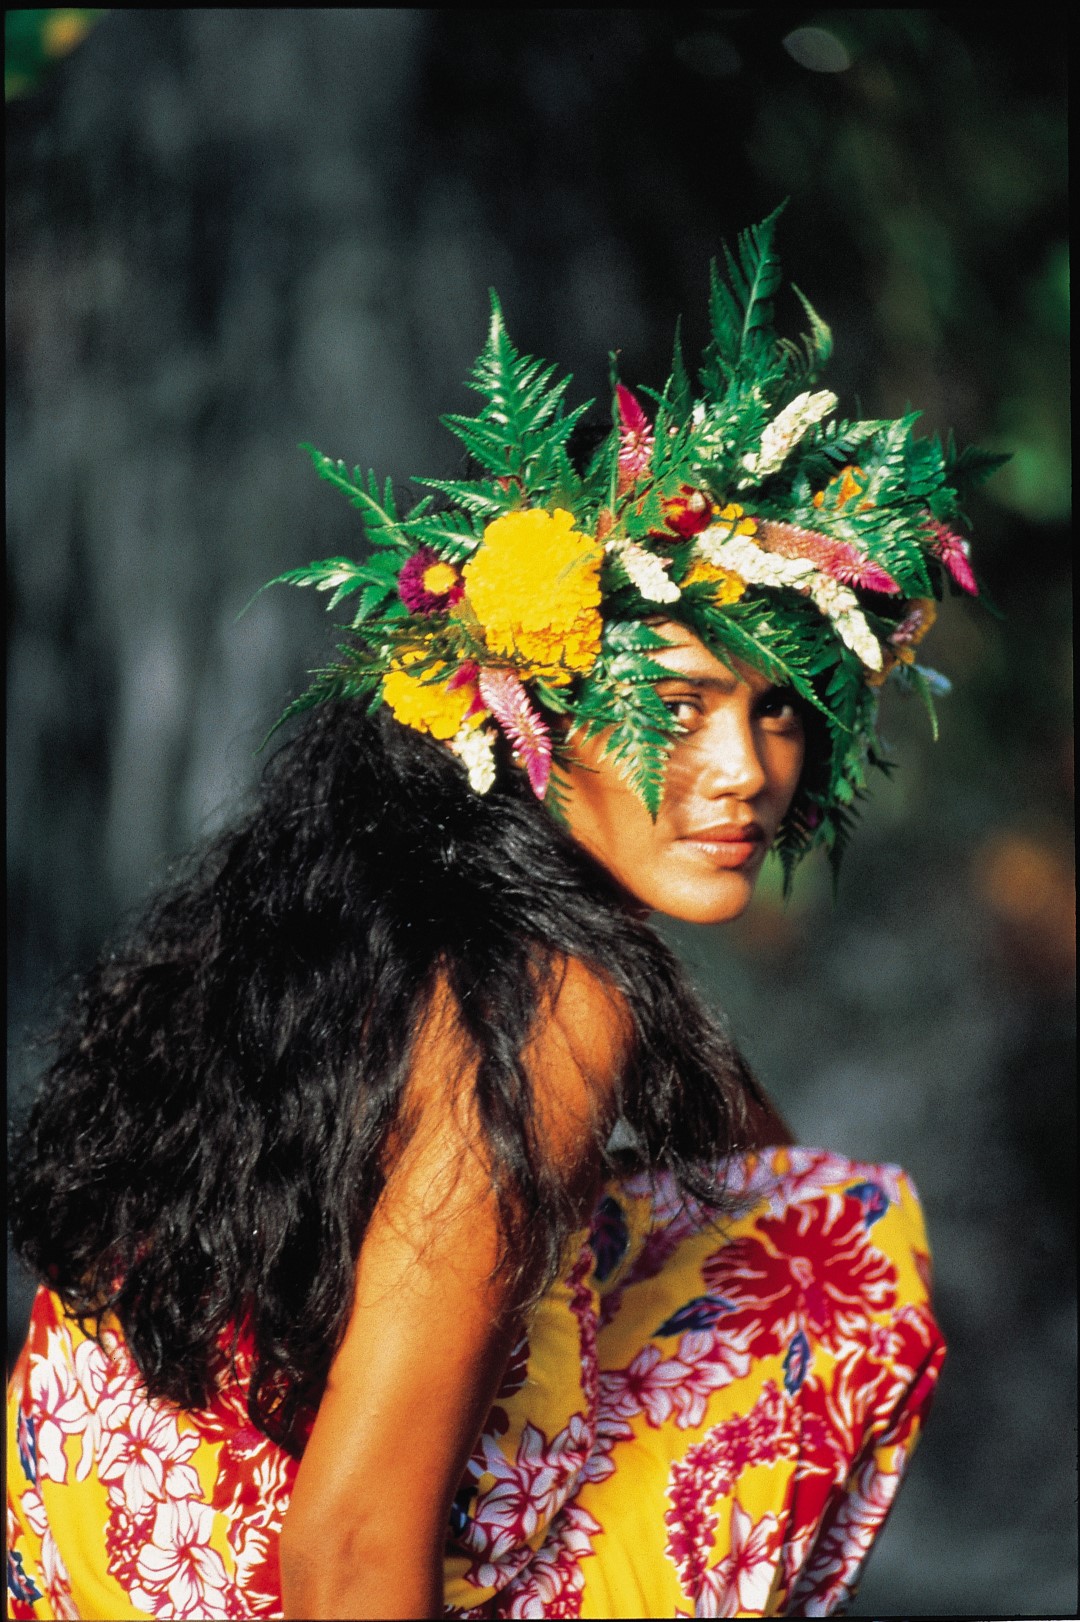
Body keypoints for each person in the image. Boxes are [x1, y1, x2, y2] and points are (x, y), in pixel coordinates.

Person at [7, 213, 998, 1620]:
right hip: (279, 1577)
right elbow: (347, 1545)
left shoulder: (348, 896)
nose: (746, 773)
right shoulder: (544, 997)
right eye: (678, 701)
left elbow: (747, 1168)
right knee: (854, 1248)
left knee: (786, 1212)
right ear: (537, 715)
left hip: (97, 1528)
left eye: (778, 708)